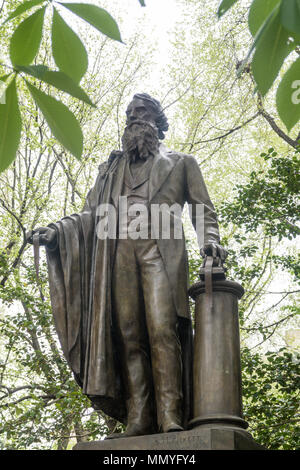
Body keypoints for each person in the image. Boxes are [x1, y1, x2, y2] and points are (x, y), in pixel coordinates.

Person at [27, 93, 226, 438]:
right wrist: (57, 231)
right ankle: (139, 418)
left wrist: (211, 240)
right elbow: (90, 214)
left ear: (157, 122)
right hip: (118, 255)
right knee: (129, 336)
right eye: (130, 113)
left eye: (142, 112)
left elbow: (202, 208)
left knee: (163, 330)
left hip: (159, 253)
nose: (134, 118)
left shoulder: (182, 162)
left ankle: (170, 416)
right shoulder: (110, 171)